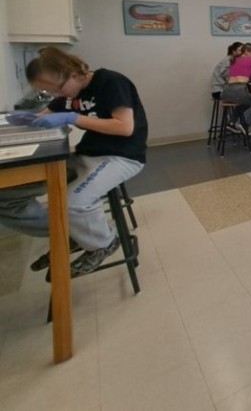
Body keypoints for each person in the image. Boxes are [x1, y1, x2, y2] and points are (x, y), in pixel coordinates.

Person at [1, 47, 148, 277]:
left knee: (73, 202)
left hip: (121, 156)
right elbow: (47, 115)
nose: (59, 95)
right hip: (86, 154)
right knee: (7, 197)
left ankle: (103, 242)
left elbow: (125, 127)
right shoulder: (66, 95)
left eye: (58, 88)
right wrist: (27, 121)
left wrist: (73, 118)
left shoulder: (110, 81)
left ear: (74, 73)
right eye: (49, 91)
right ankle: (76, 234)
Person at [220, 42, 251, 133]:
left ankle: (232, 122)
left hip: (225, 92)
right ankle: (245, 124)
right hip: (239, 91)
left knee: (244, 102)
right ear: (247, 51)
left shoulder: (234, 59)